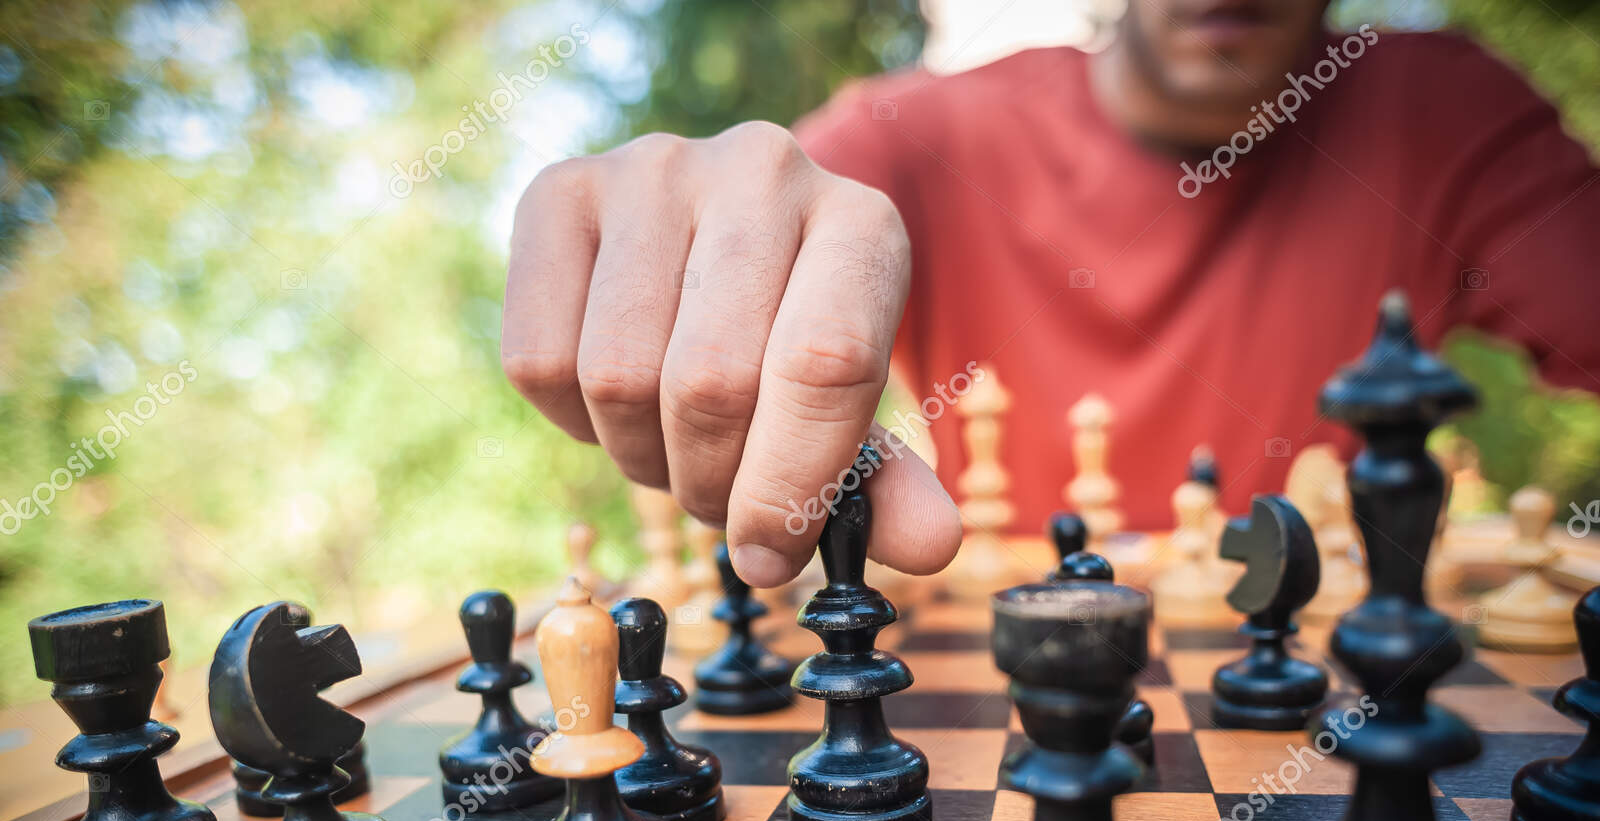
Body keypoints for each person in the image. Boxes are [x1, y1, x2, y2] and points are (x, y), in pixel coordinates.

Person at [500, 0, 1600, 588]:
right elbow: (777, 200)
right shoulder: (927, 134)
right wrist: (691, 215)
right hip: (987, 700)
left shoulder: (1439, 112)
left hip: (1327, 730)